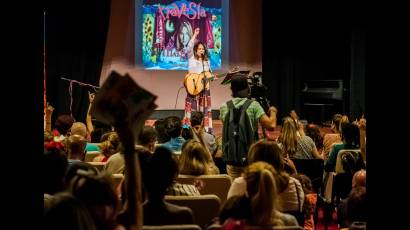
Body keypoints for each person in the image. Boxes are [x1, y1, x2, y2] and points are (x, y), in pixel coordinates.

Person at [219, 73, 278, 178]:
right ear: (247, 88)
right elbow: (271, 125)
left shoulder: (224, 107)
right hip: (251, 157)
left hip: (232, 159)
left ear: (232, 89)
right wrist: (273, 111)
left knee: (235, 186)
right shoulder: (254, 105)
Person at [183, 27, 214, 134]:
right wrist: (195, 35)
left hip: (204, 89)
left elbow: (209, 74)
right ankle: (188, 131)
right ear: (195, 50)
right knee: (192, 109)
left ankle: (205, 130)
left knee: (204, 109)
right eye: (199, 49)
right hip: (193, 88)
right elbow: (188, 47)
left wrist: (212, 77)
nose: (202, 50)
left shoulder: (207, 61)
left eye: (203, 49)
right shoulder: (191, 57)